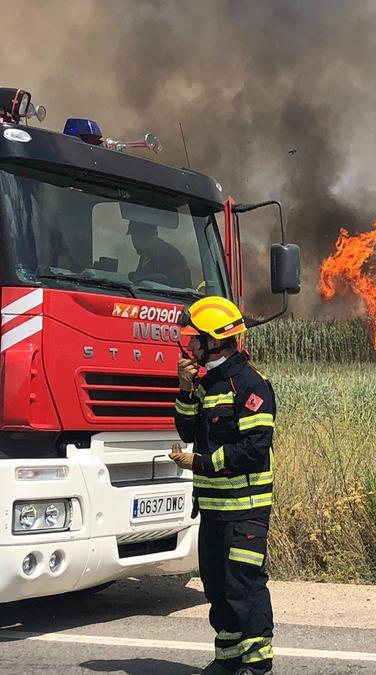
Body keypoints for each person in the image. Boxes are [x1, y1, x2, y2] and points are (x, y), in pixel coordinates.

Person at [169, 296, 276, 675]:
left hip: (245, 510)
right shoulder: (206, 383)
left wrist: (201, 463)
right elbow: (186, 430)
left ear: (213, 341)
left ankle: (258, 665)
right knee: (216, 588)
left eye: (193, 339)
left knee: (244, 586)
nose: (189, 346)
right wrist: (184, 392)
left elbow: (253, 449)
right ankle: (228, 659)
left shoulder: (249, 385)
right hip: (213, 510)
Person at [128, 219, 192, 288]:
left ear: (153, 235)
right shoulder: (146, 255)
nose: (134, 242)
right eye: (133, 237)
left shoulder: (170, 256)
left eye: (138, 238)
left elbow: (181, 289)